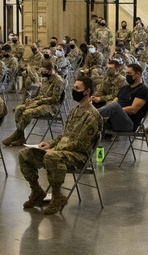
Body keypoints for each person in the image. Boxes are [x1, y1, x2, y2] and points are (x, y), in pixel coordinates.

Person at [18, 77, 102, 215]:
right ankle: (37, 191)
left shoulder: (92, 116)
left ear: (87, 92)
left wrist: (55, 150)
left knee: (52, 157)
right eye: (74, 87)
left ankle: (57, 197)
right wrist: (49, 144)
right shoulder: (74, 111)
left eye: (77, 89)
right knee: (25, 154)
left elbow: (80, 144)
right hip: (62, 151)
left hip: (78, 156)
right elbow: (64, 136)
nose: (74, 91)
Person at [2, 59, 65, 146]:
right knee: (18, 109)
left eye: (44, 71)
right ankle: (21, 138)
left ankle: (16, 134)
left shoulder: (58, 81)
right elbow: (41, 94)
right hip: (41, 103)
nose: (42, 73)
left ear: (50, 71)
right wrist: (33, 99)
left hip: (51, 107)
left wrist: (39, 101)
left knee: (27, 113)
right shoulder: (46, 79)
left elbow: (55, 99)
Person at [97, 63, 148, 133]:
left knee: (115, 106)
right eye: (126, 73)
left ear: (138, 74)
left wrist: (116, 111)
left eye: (129, 73)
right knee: (103, 104)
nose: (127, 75)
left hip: (129, 124)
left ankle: (92, 114)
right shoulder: (124, 88)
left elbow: (133, 110)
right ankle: (91, 115)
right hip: (114, 120)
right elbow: (113, 102)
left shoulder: (143, 90)